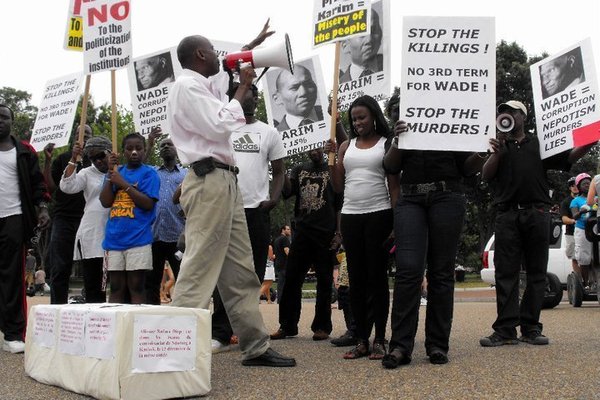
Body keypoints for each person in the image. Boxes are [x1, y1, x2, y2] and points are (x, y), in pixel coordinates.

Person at [166, 28, 296, 367]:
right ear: (199, 55)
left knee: (241, 272)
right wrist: (242, 87)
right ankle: (173, 351)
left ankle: (255, 346)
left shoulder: (203, 86)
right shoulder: (186, 86)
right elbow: (220, 125)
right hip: (208, 182)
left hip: (225, 183)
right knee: (197, 265)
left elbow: (222, 84)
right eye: (212, 49)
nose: (216, 54)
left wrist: (247, 53)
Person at [479, 100, 594, 348]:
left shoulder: (540, 143)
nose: (506, 116)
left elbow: (569, 158)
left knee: (536, 273)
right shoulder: (497, 145)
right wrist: (497, 152)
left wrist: (591, 139)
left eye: (512, 112)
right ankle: (505, 329)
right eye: (503, 113)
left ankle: (531, 327)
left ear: (524, 116)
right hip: (507, 215)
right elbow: (486, 175)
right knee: (505, 273)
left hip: (537, 213)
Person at [381, 101, 486, 367]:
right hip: (411, 199)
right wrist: (397, 139)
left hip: (447, 197)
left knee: (441, 271)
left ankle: (437, 344)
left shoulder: (451, 125)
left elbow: (467, 167)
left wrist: (484, 151)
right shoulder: (401, 129)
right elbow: (391, 166)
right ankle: (400, 346)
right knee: (408, 270)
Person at [326, 95, 398, 360]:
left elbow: (394, 186)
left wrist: (395, 220)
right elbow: (338, 187)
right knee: (356, 280)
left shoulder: (385, 143)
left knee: (377, 279)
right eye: (354, 118)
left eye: (362, 117)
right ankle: (361, 339)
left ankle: (380, 339)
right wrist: (331, 157)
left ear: (374, 117)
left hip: (379, 215)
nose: (357, 122)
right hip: (352, 216)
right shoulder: (346, 146)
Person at [270, 148, 343, 342]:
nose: (314, 152)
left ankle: (321, 326)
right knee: (292, 279)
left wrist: (338, 233)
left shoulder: (332, 169)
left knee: (325, 282)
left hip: (325, 233)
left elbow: (338, 204)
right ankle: (287, 325)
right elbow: (287, 191)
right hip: (302, 232)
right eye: (310, 149)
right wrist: (281, 167)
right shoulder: (299, 169)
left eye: (317, 148)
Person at [0, 104, 50, 353]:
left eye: (4, 117)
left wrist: (42, 209)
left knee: (12, 277)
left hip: (14, 218)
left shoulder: (24, 151)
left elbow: (38, 184)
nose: (0, 121)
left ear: (12, 121)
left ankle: (13, 333)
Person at [100, 133, 160, 304]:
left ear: (144, 150)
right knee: (116, 288)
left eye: (138, 148)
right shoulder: (116, 172)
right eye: (129, 149)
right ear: (123, 152)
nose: (134, 152)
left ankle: (136, 327)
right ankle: (116, 328)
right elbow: (105, 202)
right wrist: (112, 176)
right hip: (114, 239)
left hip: (138, 239)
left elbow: (148, 204)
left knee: (136, 287)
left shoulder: (149, 174)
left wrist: (123, 184)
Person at [59, 136, 113, 303]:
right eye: (93, 158)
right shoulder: (86, 173)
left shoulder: (120, 171)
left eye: (101, 156)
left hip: (116, 230)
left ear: (110, 153)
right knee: (94, 282)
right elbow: (67, 186)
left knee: (115, 281)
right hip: (93, 233)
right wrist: (74, 159)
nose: (97, 161)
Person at [43, 125, 92, 304]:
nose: (83, 139)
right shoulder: (62, 159)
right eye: (80, 135)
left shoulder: (95, 162)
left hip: (88, 220)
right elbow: (50, 188)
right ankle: (58, 307)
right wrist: (48, 161)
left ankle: (90, 307)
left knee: (90, 267)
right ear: (73, 137)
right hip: (63, 219)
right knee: (60, 267)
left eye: (87, 135)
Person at [146, 135, 186, 305]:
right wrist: (149, 144)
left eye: (169, 144)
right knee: (152, 282)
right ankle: (151, 315)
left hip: (178, 236)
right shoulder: (152, 172)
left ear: (177, 149)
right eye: (162, 146)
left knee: (183, 280)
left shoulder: (187, 173)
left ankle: (184, 314)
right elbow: (139, 166)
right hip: (154, 235)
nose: (166, 147)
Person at [272, 65, 323, 132]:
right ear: (277, 98)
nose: (303, 92)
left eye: (308, 84)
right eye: (294, 88)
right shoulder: (276, 135)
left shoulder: (331, 116)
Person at [339, 9, 383, 83]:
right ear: (345, 45)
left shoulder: (394, 68)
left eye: (374, 30)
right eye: (361, 33)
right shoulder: (338, 88)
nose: (369, 39)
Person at [570, 173, 593, 287]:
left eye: (589, 183)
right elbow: (574, 216)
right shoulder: (576, 201)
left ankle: (596, 281)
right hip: (582, 230)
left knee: (596, 257)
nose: (587, 185)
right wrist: (581, 211)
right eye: (584, 184)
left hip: (595, 230)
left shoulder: (596, 199)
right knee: (584, 258)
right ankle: (586, 283)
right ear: (579, 186)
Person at [561, 177, 580, 275]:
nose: (575, 187)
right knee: (575, 258)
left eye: (576, 185)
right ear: (570, 188)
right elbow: (564, 219)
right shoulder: (566, 202)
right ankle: (579, 282)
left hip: (585, 232)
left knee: (589, 259)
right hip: (571, 233)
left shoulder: (586, 199)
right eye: (572, 186)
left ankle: (590, 282)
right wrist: (573, 221)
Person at [273, 224, 291, 301]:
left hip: (278, 263)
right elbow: (287, 251)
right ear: (283, 230)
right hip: (285, 264)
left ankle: (280, 299)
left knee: (281, 282)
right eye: (288, 229)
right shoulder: (285, 239)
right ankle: (283, 299)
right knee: (285, 282)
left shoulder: (276, 240)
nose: (290, 231)